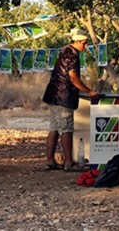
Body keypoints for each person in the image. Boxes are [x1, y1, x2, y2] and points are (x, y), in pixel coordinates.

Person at [42, 27, 99, 171]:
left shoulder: (63, 51)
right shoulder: (72, 55)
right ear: (78, 41)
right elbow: (73, 78)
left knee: (54, 128)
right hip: (63, 96)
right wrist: (89, 91)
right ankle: (69, 162)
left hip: (52, 95)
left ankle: (50, 160)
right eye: (84, 43)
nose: (85, 46)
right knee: (66, 129)